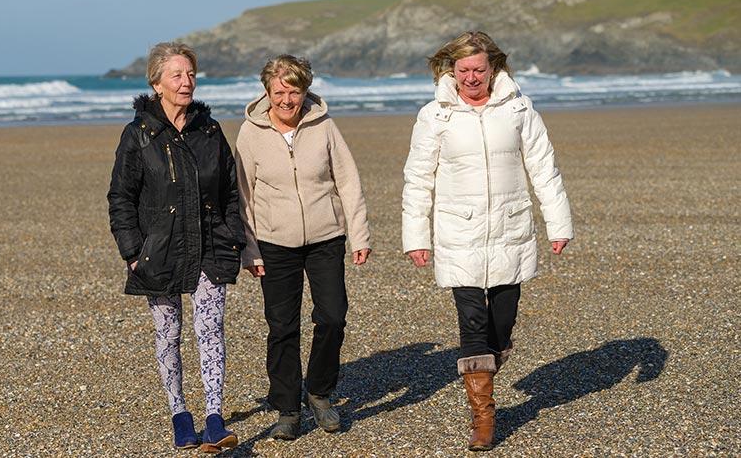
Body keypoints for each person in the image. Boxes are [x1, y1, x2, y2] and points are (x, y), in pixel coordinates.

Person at [401, 31, 573, 451]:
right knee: (473, 322)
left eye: (479, 69)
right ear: (451, 70)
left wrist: (559, 223)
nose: (472, 77)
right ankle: (484, 417)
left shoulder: (518, 108)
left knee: (502, 321)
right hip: (458, 231)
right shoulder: (435, 115)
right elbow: (418, 179)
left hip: (510, 228)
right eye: (464, 70)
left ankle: (488, 363)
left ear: (493, 67)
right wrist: (415, 236)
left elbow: (543, 167)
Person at [107, 42, 243, 453]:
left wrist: (233, 238)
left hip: (209, 245)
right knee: (168, 334)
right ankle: (180, 414)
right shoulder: (138, 135)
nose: (186, 82)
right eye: (177, 75)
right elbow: (120, 197)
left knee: (210, 330)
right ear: (156, 83)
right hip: (159, 249)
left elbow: (231, 191)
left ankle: (215, 418)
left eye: (190, 74)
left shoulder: (210, 129)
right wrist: (133, 251)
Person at [234, 54, 371, 439]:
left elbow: (348, 181)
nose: (286, 100)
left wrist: (359, 235)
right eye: (279, 92)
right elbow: (242, 195)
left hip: (326, 236)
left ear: (305, 91)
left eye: (294, 91)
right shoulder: (251, 133)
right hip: (274, 242)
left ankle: (320, 392)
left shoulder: (324, 126)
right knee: (282, 327)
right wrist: (249, 248)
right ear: (267, 92)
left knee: (333, 316)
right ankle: (287, 409)